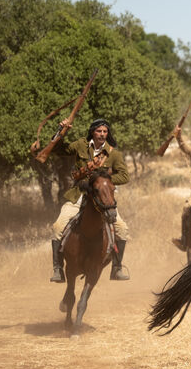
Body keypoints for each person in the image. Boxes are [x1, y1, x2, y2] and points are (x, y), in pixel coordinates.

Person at [49, 118, 130, 283]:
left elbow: (124, 176)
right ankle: (58, 269)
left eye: (105, 132)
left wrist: (103, 181)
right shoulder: (80, 145)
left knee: (122, 228)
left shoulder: (113, 153)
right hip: (79, 195)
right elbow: (59, 149)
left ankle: (117, 267)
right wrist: (61, 130)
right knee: (58, 226)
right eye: (99, 131)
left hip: (102, 200)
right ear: (93, 132)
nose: (102, 134)